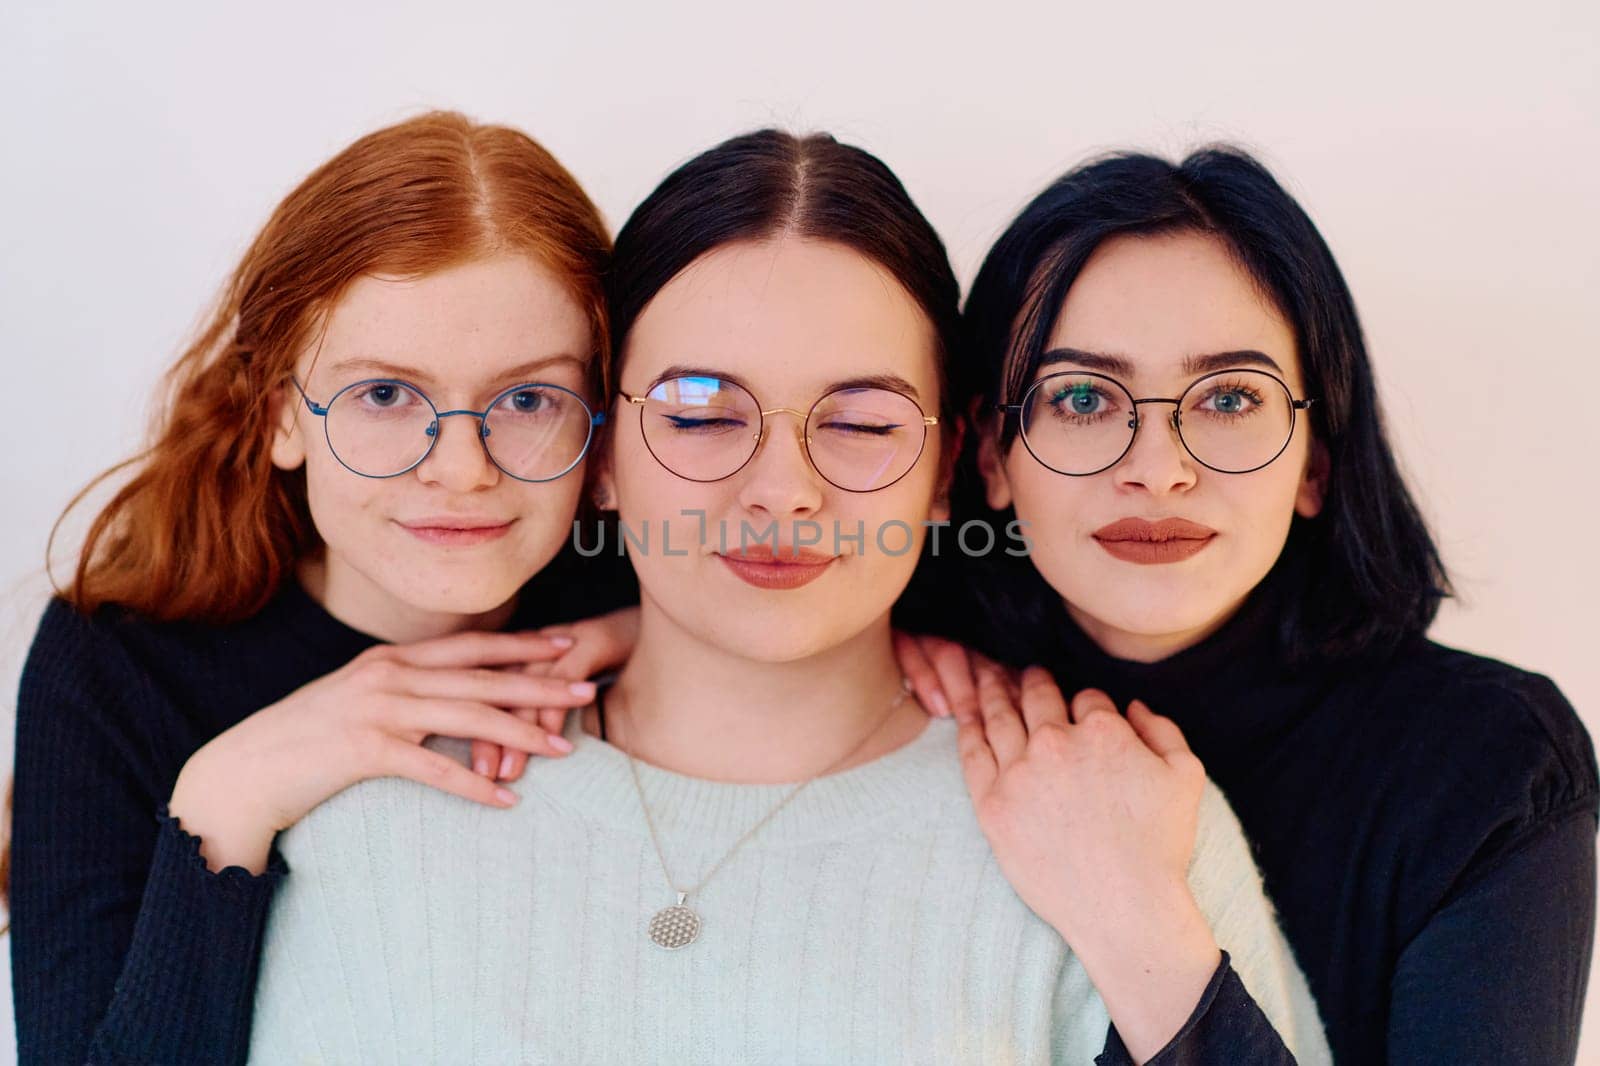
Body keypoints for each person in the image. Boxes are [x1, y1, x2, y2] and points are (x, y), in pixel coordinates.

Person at [246, 129, 1332, 1064]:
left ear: (950, 460)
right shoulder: (385, 817)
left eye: (861, 423)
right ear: (603, 450)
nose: (782, 493)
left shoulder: (1122, 821)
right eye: (701, 410)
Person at [897, 147, 1598, 1064]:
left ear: (1317, 459)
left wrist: (1133, 913)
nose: (1157, 469)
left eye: (1229, 398)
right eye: (1080, 397)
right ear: (991, 454)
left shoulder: (1489, 765)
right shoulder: (907, 696)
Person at [5, 110, 636, 1065]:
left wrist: (660, 627)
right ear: (281, 417)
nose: (462, 469)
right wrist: (231, 794)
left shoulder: (649, 591)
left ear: (600, 428)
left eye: (527, 400)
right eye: (384, 396)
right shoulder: (118, 660)